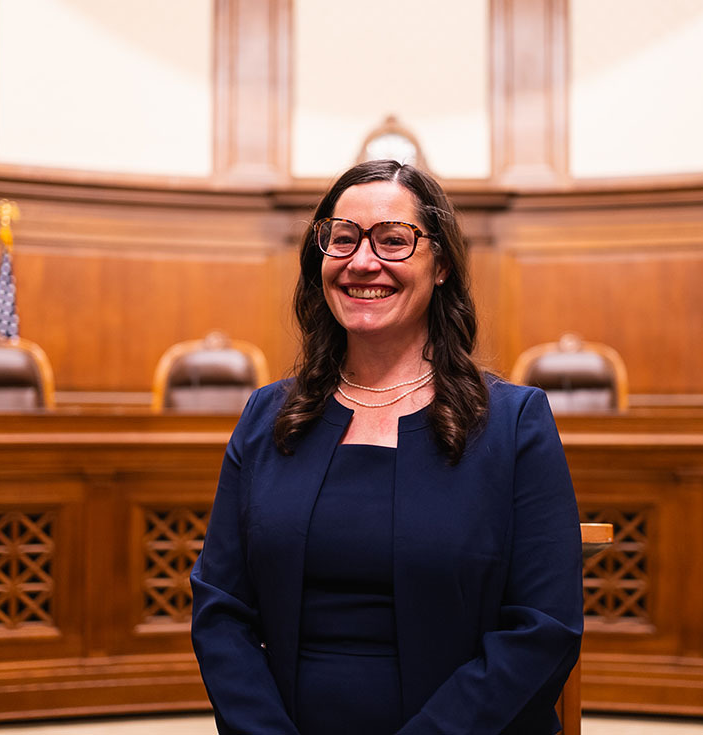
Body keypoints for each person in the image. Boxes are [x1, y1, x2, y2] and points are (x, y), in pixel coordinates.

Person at [190, 160, 583, 735]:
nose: (362, 262)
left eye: (393, 241)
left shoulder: (514, 424)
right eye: (342, 239)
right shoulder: (265, 419)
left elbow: (543, 628)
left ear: (442, 264)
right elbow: (221, 609)